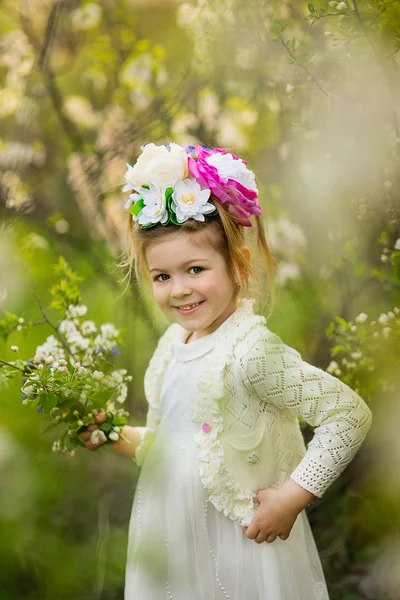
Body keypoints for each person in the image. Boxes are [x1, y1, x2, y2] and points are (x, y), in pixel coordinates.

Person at [81, 142, 373, 600]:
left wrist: (292, 498)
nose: (179, 290)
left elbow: (348, 414)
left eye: (195, 269)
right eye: (162, 276)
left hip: (241, 547)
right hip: (172, 543)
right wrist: (116, 434)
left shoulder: (250, 353)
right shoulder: (173, 346)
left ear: (238, 265)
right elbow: (174, 447)